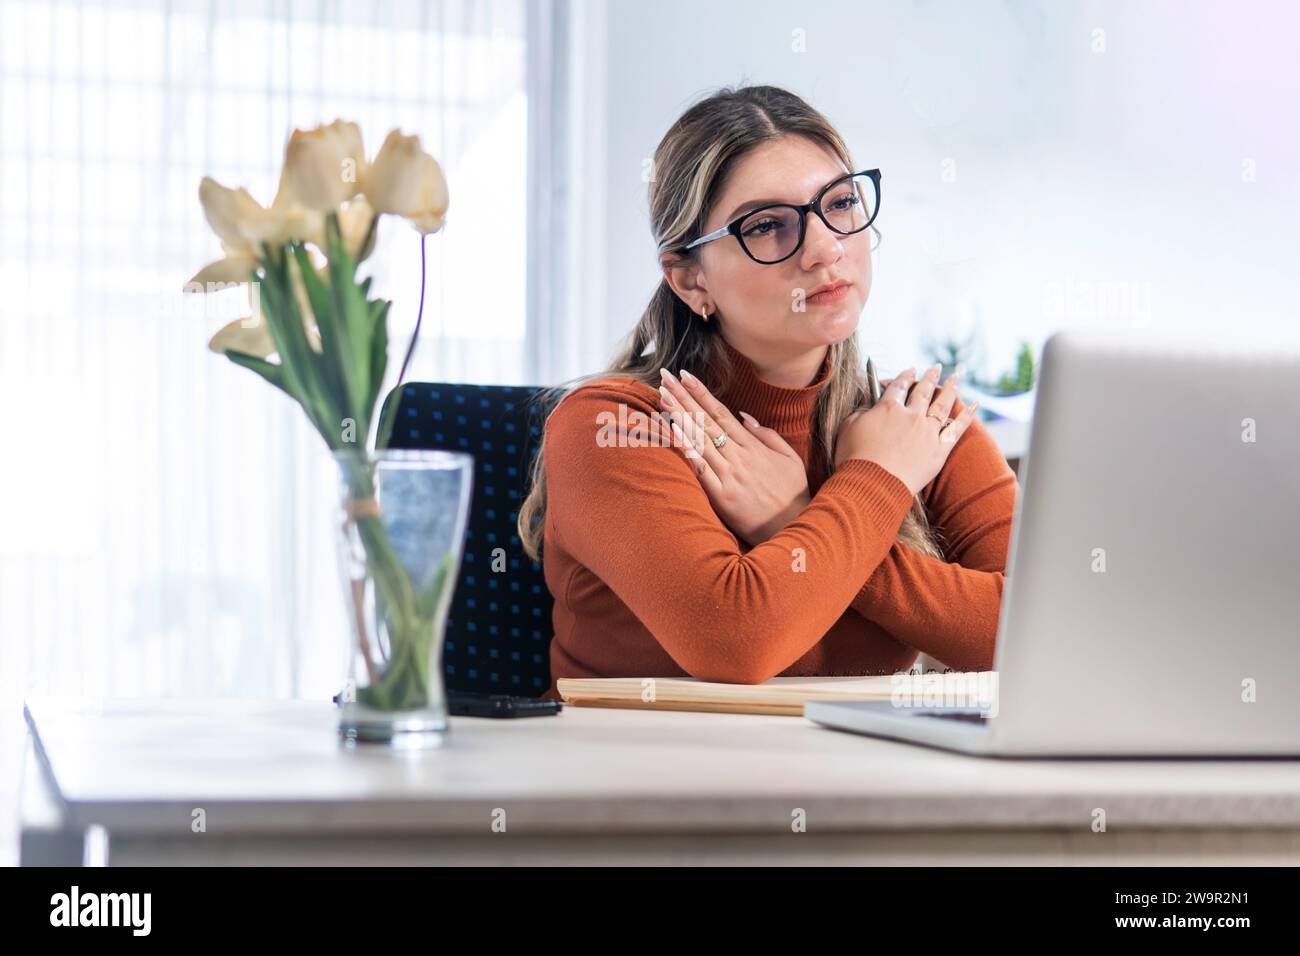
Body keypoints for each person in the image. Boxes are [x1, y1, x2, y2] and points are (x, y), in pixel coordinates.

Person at [516, 85, 1018, 702]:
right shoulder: (612, 426)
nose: (826, 248)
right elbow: (736, 641)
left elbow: (1041, 635)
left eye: (840, 203)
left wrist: (801, 514)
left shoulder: (919, 426)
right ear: (690, 279)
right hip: (651, 785)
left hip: (862, 786)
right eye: (768, 227)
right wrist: (875, 482)